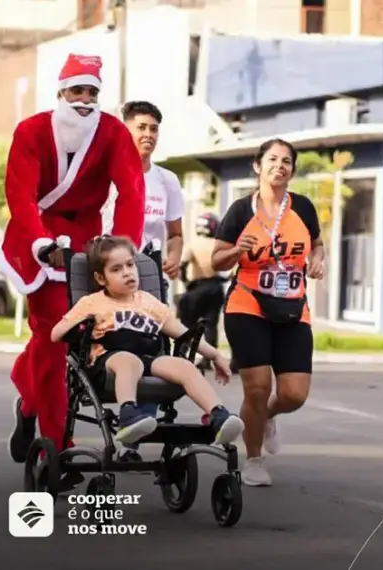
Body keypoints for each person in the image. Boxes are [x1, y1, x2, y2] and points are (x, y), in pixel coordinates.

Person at [0, 54, 146, 490]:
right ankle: (56, 441)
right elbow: (19, 193)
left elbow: (132, 190)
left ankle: (28, 404)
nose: (84, 100)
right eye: (76, 91)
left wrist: (120, 249)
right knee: (51, 337)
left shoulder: (113, 133)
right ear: (60, 92)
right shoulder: (31, 131)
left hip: (87, 240)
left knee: (83, 341)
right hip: (36, 237)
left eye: (92, 93)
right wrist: (41, 242)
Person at [50, 236, 244, 446]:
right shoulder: (92, 302)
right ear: (101, 279)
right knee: (128, 361)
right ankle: (129, 416)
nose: (126, 272)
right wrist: (79, 327)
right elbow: (56, 333)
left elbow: (182, 333)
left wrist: (214, 355)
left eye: (130, 265)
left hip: (148, 358)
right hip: (107, 361)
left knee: (185, 366)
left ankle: (217, 415)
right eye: (116, 269)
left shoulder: (149, 303)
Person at [211, 138, 325, 487]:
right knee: (257, 387)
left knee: (293, 394)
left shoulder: (303, 208)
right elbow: (215, 261)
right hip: (248, 304)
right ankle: (255, 460)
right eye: (272, 159)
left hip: (292, 308)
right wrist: (236, 252)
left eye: (287, 161)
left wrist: (318, 259)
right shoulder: (241, 211)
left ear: (292, 169)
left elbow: (317, 243)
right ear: (258, 166)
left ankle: (269, 416)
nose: (280, 165)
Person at [106, 100, 185, 462]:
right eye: (141, 127)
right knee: (107, 353)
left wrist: (174, 256)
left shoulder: (166, 180)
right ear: (124, 129)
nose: (148, 135)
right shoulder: (103, 174)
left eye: (154, 128)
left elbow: (176, 233)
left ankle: (133, 441)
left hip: (149, 275)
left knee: (151, 355)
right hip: (106, 277)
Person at [178, 213, 232, 372]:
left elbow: (182, 265)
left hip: (197, 286)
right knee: (211, 325)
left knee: (187, 324)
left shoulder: (193, 244)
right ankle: (208, 359)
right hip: (215, 287)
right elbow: (230, 269)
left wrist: (186, 282)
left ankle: (182, 355)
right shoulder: (218, 245)